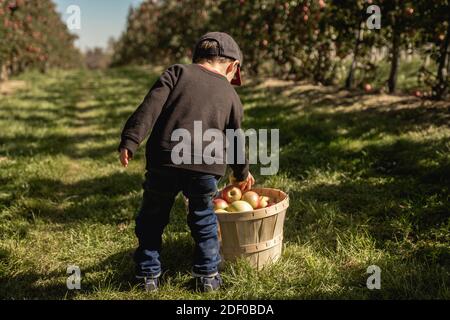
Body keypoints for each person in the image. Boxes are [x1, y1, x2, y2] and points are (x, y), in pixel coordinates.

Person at [118, 32, 255, 292]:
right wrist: (241, 173)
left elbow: (150, 107)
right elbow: (236, 139)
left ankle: (147, 276)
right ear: (232, 66)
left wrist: (131, 139)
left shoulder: (177, 72)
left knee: (152, 217)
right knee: (203, 219)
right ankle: (207, 276)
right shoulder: (230, 94)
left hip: (165, 161)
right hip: (206, 166)